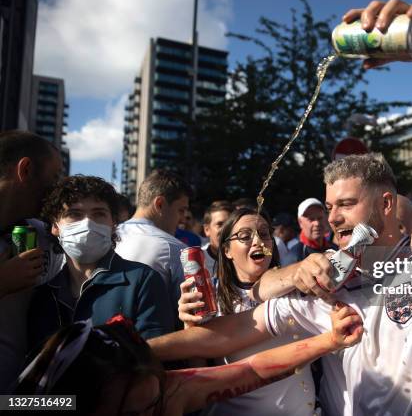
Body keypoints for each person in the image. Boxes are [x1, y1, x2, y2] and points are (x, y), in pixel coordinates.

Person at [149, 0, 412, 413]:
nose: (333, 217)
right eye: (329, 206)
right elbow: (230, 334)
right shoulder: (324, 283)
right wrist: (132, 349)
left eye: (346, 204)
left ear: (387, 204)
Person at [15, 306, 363, 415]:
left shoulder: (170, 394)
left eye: (154, 402)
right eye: (134, 413)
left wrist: (328, 341)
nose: (156, 412)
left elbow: (251, 368)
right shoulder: (40, 402)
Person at [181, 207, 319, 415]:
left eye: (264, 234)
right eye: (245, 236)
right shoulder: (213, 297)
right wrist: (190, 327)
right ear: (226, 250)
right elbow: (198, 375)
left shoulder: (295, 286)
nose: (258, 241)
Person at [28, 175, 174, 351]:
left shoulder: (143, 281)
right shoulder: (44, 296)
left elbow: (152, 360)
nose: (88, 223)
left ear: (113, 223)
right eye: (74, 214)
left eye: (99, 214)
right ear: (55, 226)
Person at [0, 130, 65, 393]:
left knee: (74, 404)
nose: (58, 189)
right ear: (25, 170)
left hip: (21, 397)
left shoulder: (42, 233)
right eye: (54, 177)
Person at [115, 169, 192, 328]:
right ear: (160, 204)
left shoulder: (106, 238)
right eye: (181, 210)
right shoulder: (175, 249)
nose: (183, 218)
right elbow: (191, 315)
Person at [202, 200, 233, 282]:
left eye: (230, 224)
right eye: (220, 224)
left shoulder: (244, 258)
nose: (225, 229)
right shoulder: (198, 261)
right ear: (207, 230)